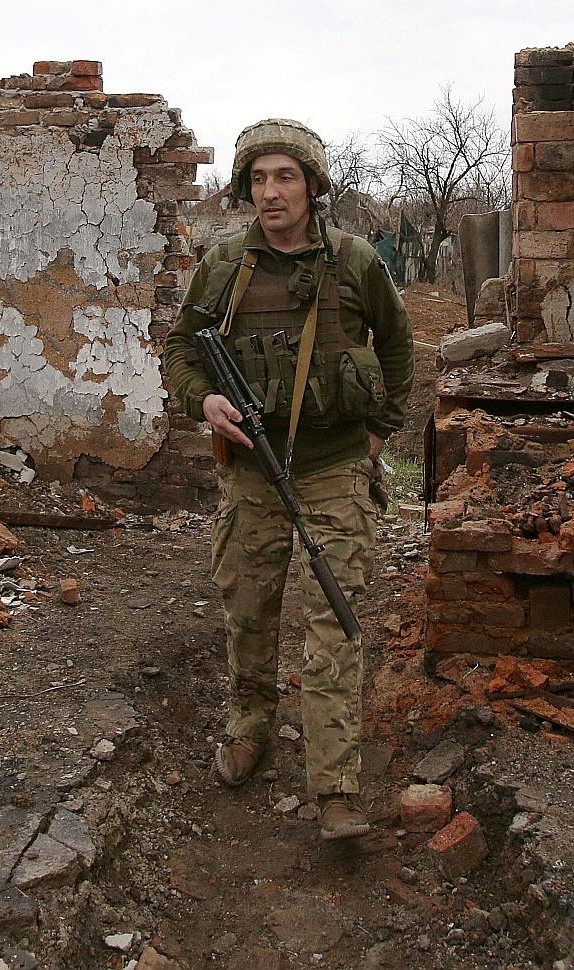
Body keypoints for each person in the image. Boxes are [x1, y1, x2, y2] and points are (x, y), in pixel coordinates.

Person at [163, 119, 413, 840]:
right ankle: (251, 729)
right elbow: (181, 348)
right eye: (259, 179)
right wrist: (202, 400)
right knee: (248, 606)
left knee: (334, 617)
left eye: (286, 177)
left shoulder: (356, 262)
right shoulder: (222, 266)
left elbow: (397, 348)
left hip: (335, 466)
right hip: (251, 470)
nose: (271, 193)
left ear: (312, 185)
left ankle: (335, 786)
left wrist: (377, 432)